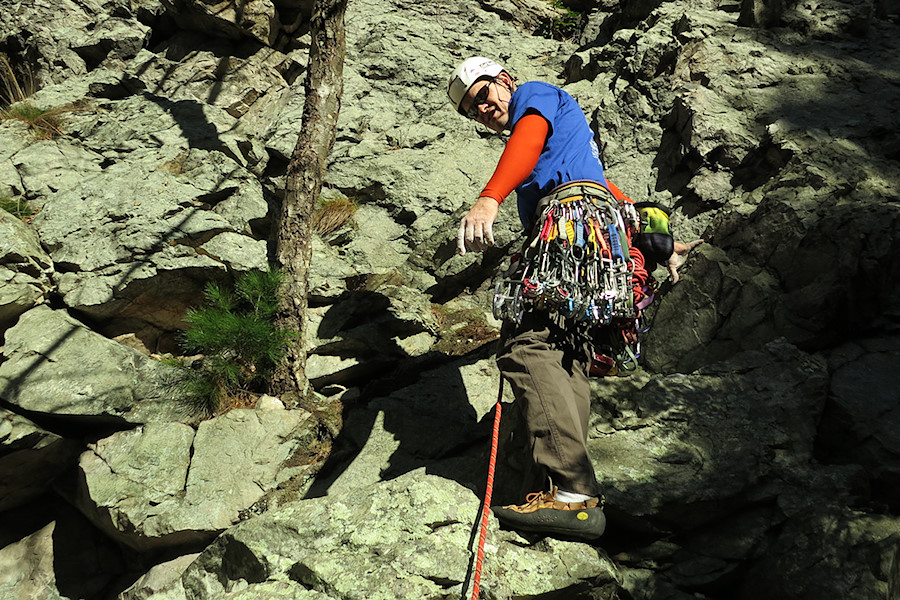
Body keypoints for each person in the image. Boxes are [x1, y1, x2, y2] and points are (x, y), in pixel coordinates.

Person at [448, 57, 702, 541]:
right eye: (471, 111)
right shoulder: (564, 139)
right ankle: (560, 495)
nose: (482, 110)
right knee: (568, 356)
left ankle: (570, 491)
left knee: (526, 347)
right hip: (594, 232)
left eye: (482, 96)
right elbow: (610, 190)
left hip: (567, 223)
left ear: (504, 79)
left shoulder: (536, 97)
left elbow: (528, 138)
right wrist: (656, 239)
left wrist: (490, 197)